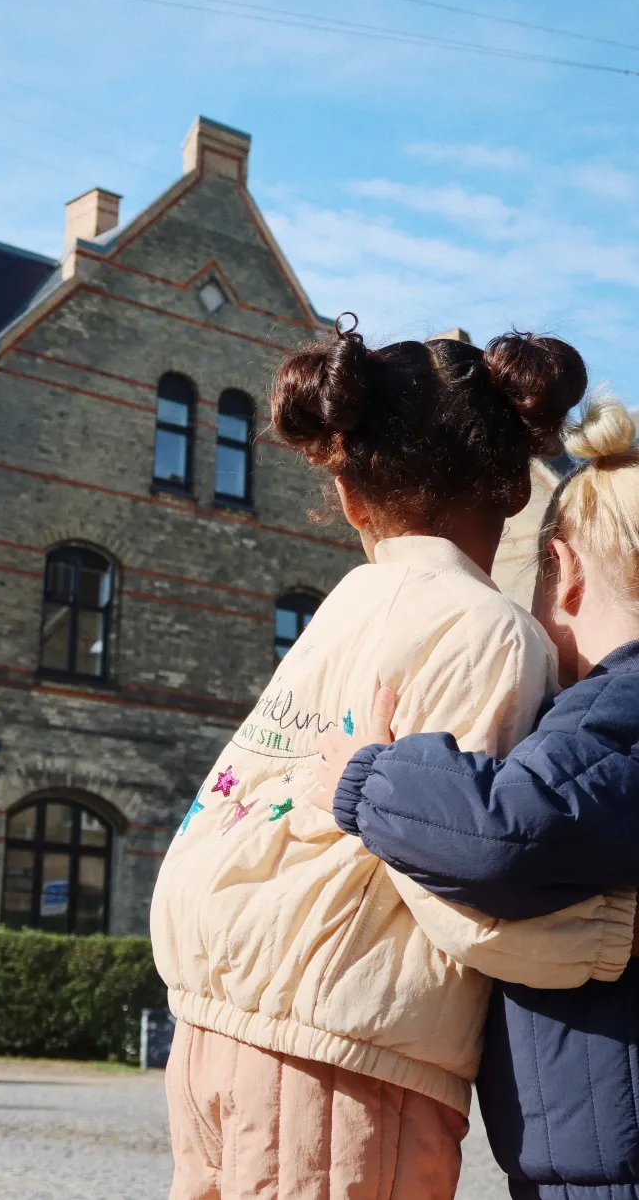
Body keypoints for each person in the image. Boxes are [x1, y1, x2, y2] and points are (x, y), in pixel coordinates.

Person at [150, 320, 635, 1200]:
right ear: (512, 489)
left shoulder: (343, 607)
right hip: (342, 1046)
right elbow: (460, 879)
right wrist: (601, 937)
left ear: (348, 495)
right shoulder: (488, 629)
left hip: (207, 1026)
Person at [332, 395, 639, 1200]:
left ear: (564, 575)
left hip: (611, 1161)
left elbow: (510, 831)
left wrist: (368, 776)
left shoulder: (619, 707)